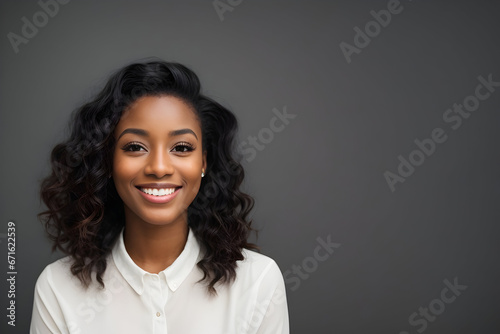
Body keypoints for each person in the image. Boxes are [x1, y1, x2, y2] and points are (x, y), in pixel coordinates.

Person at [30, 59, 289, 333]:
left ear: (203, 162)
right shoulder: (58, 289)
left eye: (181, 147)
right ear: (107, 161)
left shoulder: (257, 282)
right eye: (135, 147)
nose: (159, 168)